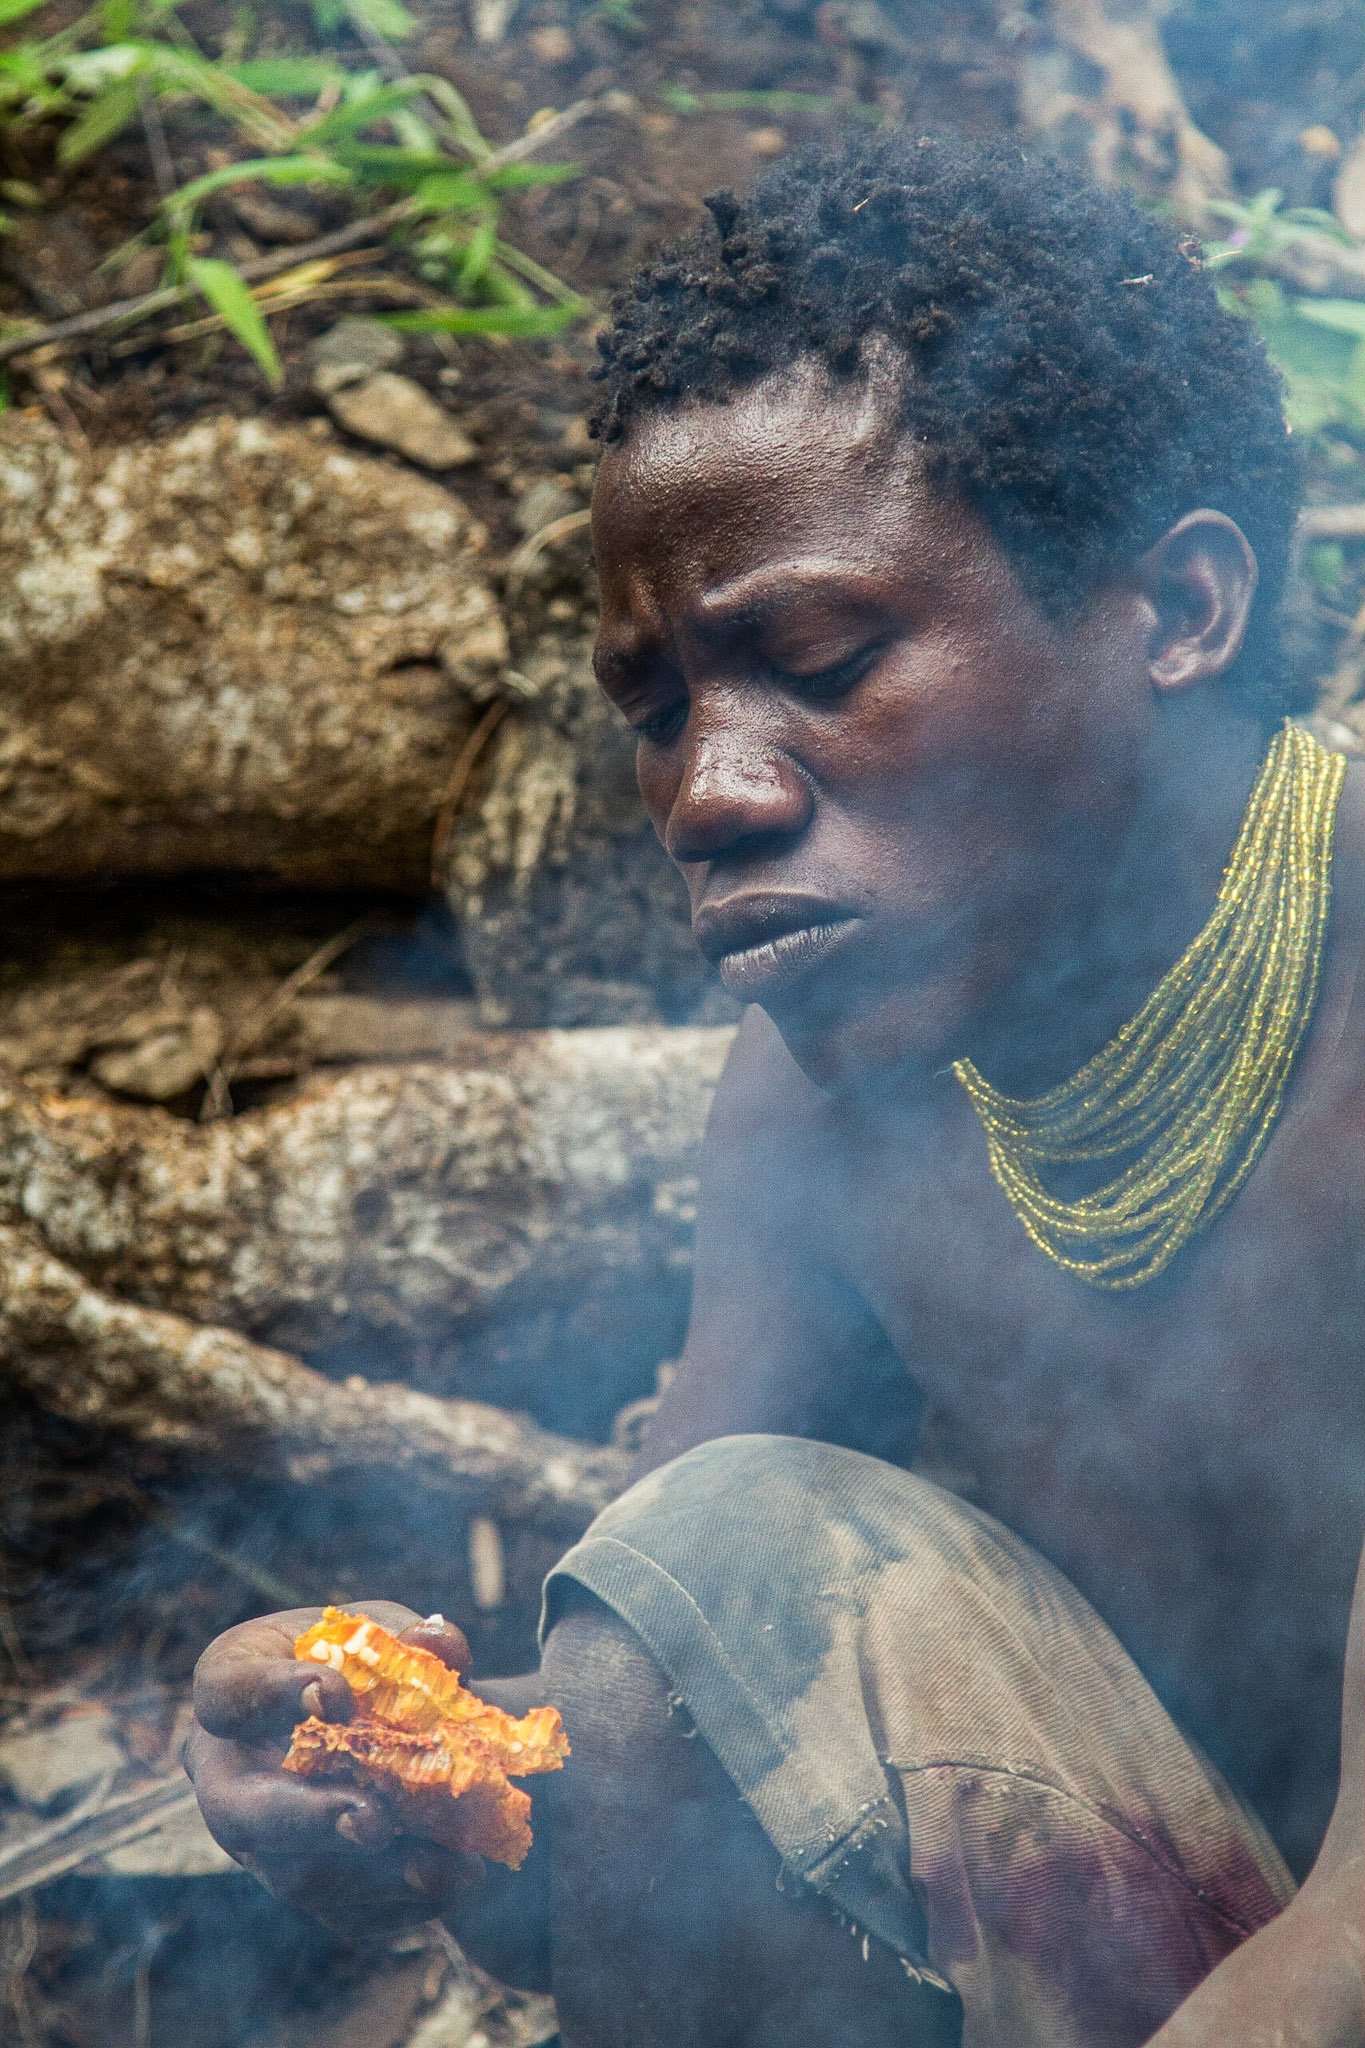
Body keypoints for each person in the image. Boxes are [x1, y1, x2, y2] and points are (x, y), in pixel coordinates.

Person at [186, 134, 1364, 2047]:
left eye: (816, 658)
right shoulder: (829, 1114)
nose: (710, 796)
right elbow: (644, 1791)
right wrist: (392, 1784)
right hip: (1226, 1942)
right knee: (695, 1586)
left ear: (1181, 612)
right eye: (655, 714)